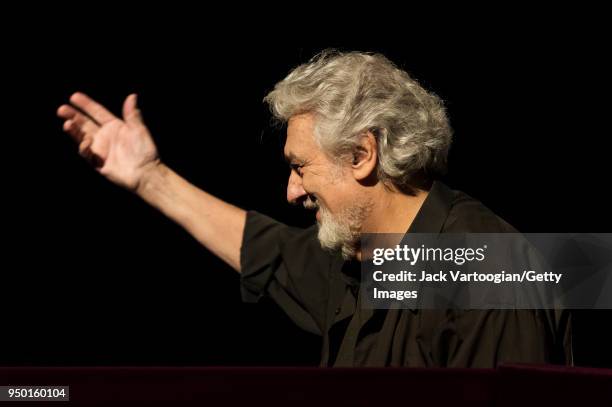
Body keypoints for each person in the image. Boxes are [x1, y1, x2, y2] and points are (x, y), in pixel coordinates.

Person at [57, 50, 572, 367]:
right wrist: (149, 177)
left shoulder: (487, 268)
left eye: (300, 166)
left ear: (362, 155)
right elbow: (266, 250)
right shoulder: (367, 258)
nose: (290, 191)